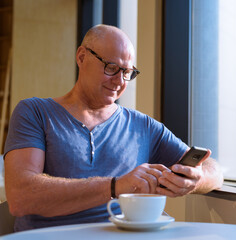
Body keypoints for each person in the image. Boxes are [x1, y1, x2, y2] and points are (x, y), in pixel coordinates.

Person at [4, 24, 223, 232]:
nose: (119, 81)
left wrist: (195, 180)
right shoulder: (35, 112)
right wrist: (115, 186)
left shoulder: (142, 126)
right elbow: (20, 196)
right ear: (82, 57)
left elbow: (214, 170)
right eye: (111, 68)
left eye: (127, 72)